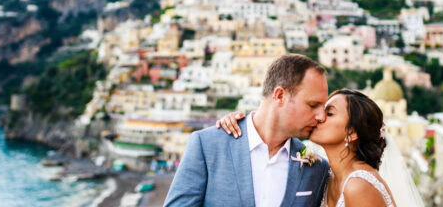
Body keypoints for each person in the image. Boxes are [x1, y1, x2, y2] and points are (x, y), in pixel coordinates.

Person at [163, 54, 330, 207]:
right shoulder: (207, 146)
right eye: (313, 105)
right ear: (280, 96)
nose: (321, 116)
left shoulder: (317, 167)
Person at [220, 89, 397, 207]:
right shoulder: (325, 174)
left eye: (329, 113)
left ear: (351, 133)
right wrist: (241, 126)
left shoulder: (359, 186)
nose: (319, 116)